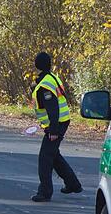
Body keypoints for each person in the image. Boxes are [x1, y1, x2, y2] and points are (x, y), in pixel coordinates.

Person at [31, 51, 82, 202]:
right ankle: (73, 184)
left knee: (45, 158)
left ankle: (44, 192)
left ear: (36, 65)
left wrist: (53, 130)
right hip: (61, 121)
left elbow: (53, 108)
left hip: (57, 124)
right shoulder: (51, 78)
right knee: (53, 156)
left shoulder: (45, 85)